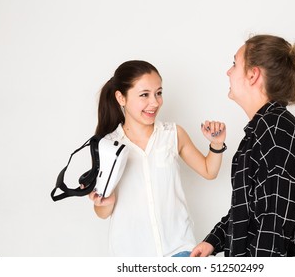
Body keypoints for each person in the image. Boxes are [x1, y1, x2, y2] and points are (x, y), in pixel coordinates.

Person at [190, 34, 295, 257]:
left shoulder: (275, 134)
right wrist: (213, 241)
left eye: (234, 64)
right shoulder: (265, 129)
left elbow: (273, 230)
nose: (228, 72)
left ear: (253, 75)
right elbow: (250, 209)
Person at [86, 60, 226, 257]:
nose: (155, 102)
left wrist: (216, 144)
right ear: (121, 97)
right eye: (144, 95)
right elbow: (102, 213)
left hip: (179, 250)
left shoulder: (173, 134)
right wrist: (105, 202)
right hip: (132, 257)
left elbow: (209, 171)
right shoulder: (108, 146)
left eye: (158, 93)